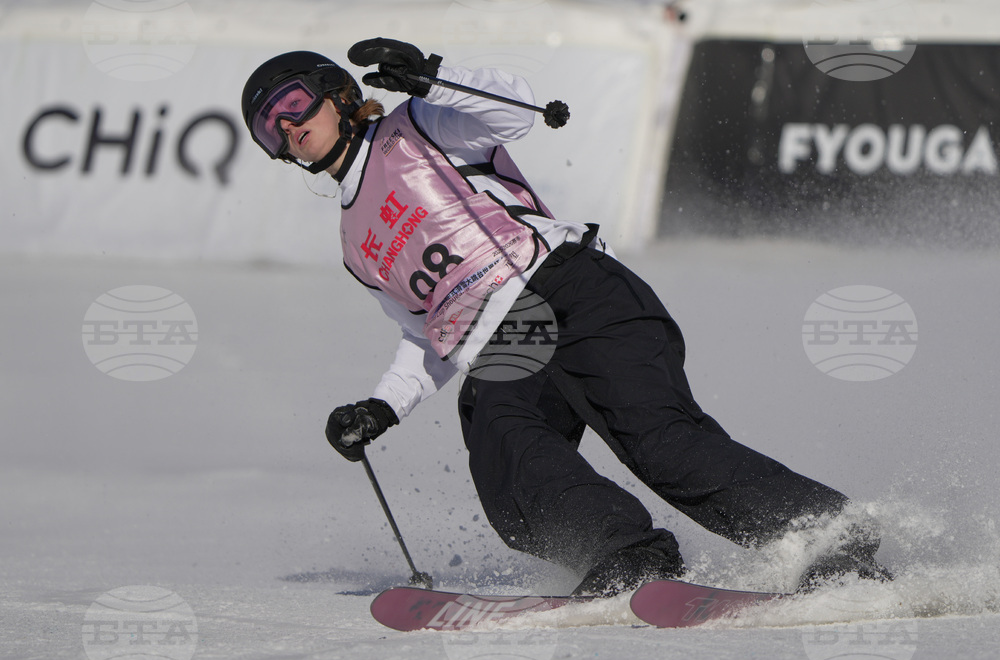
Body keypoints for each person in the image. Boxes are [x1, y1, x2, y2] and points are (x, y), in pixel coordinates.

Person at [241, 38, 891, 596]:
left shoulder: (419, 126)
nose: (289, 127)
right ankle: (628, 556)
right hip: (507, 338)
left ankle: (826, 533)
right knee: (507, 471)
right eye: (271, 127)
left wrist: (431, 74)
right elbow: (430, 331)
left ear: (334, 94)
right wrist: (381, 407)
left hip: (567, 288)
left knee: (659, 444)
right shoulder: (357, 244)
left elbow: (511, 111)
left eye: (294, 105)